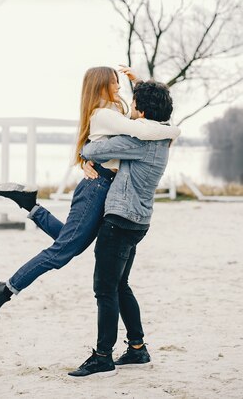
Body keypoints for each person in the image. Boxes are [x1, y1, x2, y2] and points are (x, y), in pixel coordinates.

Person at [0, 66, 180, 325]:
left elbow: (150, 112)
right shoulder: (104, 114)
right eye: (114, 82)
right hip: (96, 186)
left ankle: (31, 206)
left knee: (72, 243)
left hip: (106, 187)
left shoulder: (115, 111)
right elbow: (143, 128)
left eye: (120, 82)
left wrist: (139, 83)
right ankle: (6, 288)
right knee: (62, 251)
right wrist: (174, 131)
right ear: (100, 86)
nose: (119, 86)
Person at [67, 79, 175, 378]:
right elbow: (157, 112)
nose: (131, 112)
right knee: (120, 285)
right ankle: (137, 348)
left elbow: (95, 148)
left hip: (120, 220)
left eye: (134, 107)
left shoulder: (138, 142)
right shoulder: (163, 138)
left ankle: (103, 356)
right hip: (139, 221)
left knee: (104, 289)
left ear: (141, 113)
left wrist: (85, 157)